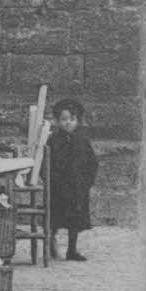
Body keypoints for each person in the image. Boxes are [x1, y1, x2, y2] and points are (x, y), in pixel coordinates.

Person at [47, 99, 99, 262]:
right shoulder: (52, 140)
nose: (68, 122)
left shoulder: (82, 141)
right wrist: (51, 180)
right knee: (55, 217)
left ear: (78, 121)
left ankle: (72, 250)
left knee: (74, 219)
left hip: (77, 187)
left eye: (72, 119)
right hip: (58, 187)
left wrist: (86, 182)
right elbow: (45, 163)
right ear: (57, 121)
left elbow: (92, 163)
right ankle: (51, 242)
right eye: (64, 119)